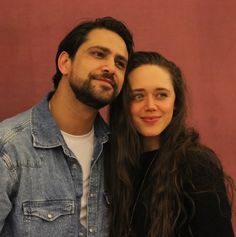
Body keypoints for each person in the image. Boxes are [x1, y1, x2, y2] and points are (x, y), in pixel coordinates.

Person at [0, 16, 134, 237]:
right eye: (99, 54)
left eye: (120, 63)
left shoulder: (118, 151)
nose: (111, 68)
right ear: (65, 63)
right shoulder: (10, 147)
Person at [106, 51, 235, 237]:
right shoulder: (113, 162)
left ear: (175, 102)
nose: (150, 105)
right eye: (138, 96)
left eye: (161, 95)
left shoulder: (196, 165)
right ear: (123, 105)